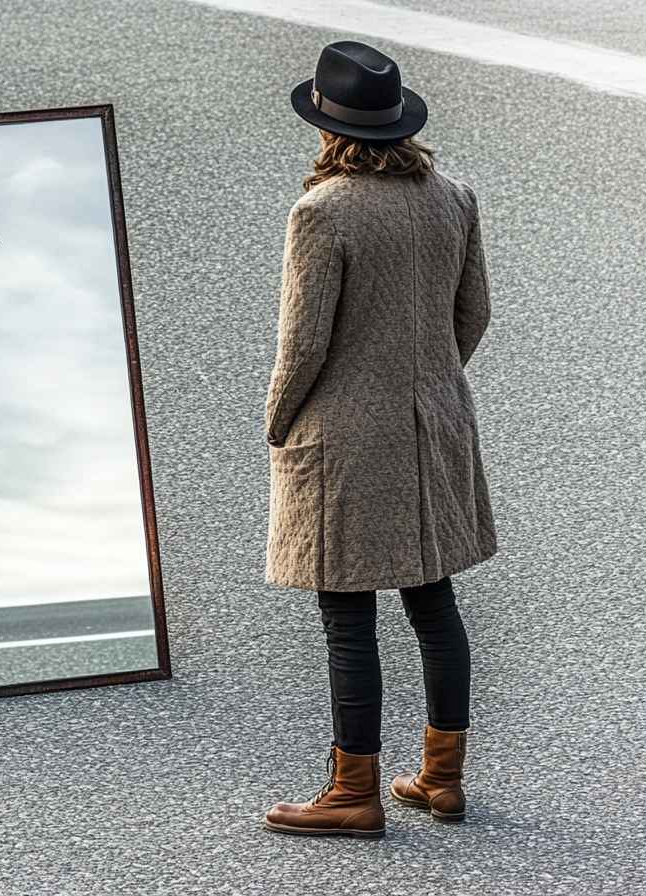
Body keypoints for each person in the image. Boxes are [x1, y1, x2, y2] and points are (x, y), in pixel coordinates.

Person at [261, 41, 497, 838]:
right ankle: (442, 779)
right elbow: (474, 316)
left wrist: (280, 422)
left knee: (348, 613)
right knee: (433, 603)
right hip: (435, 423)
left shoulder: (322, 211)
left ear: (327, 127)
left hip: (347, 437)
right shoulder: (453, 196)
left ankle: (352, 792)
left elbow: (304, 345)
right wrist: (427, 377)